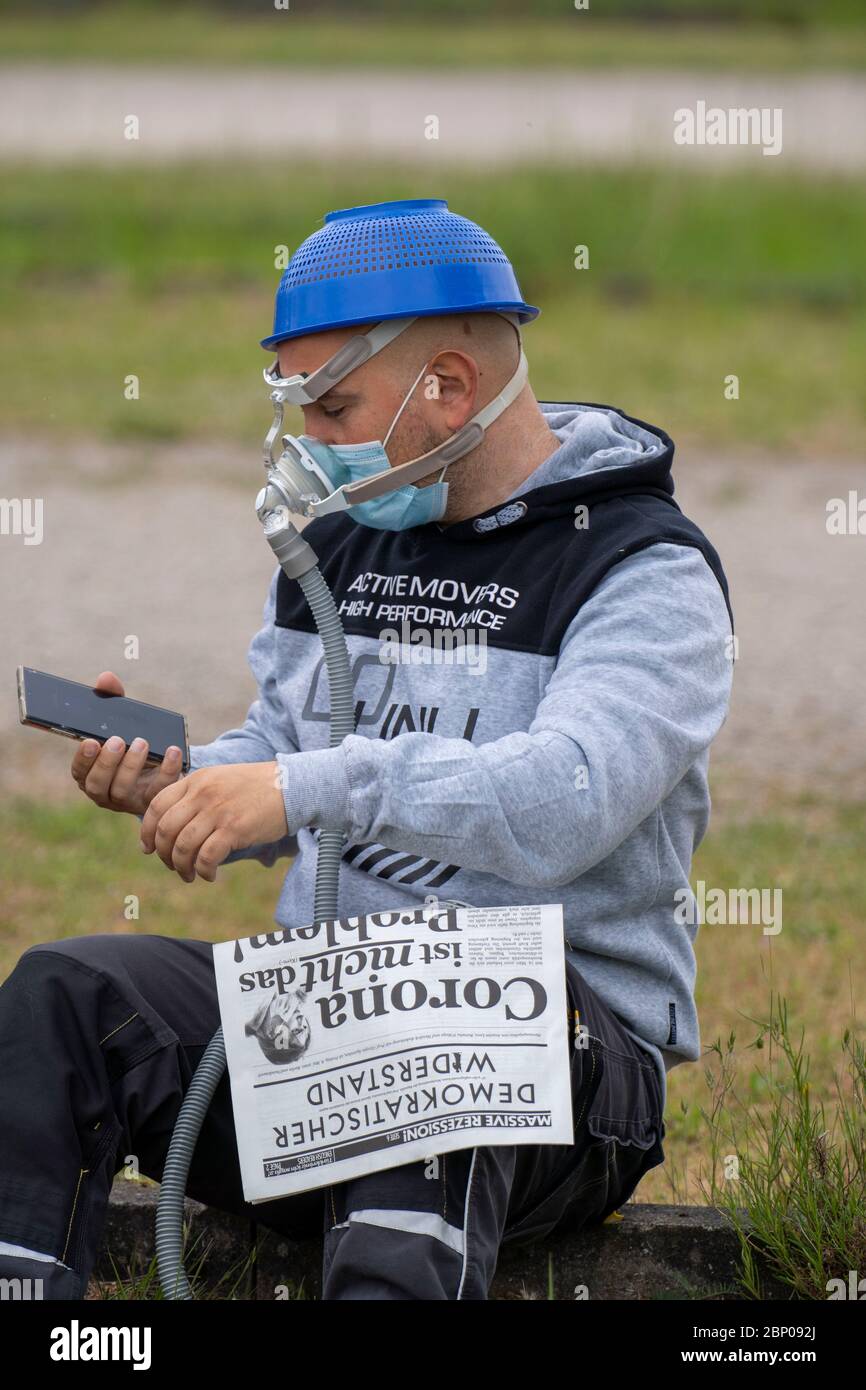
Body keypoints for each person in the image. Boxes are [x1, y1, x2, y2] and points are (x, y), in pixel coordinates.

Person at [0, 198, 733, 1301]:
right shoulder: (343, 541)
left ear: (446, 385)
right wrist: (189, 777)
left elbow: (563, 799)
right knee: (64, 995)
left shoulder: (642, 571)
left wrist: (296, 785)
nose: (307, 448)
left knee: (428, 1037)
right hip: (322, 1022)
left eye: (331, 407)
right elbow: (288, 752)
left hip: (558, 1066)